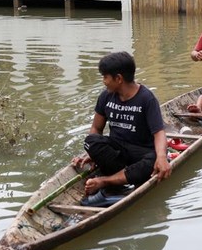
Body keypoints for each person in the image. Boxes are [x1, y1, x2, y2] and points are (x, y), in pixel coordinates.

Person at [73, 51, 172, 207]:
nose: (103, 81)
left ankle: (106, 181)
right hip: (118, 151)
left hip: (141, 153)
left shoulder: (147, 99)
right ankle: (122, 179)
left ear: (118, 79)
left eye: (105, 77)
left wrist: (161, 157)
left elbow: (159, 133)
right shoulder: (106, 96)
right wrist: (91, 153)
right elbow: (96, 128)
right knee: (91, 141)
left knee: (156, 159)